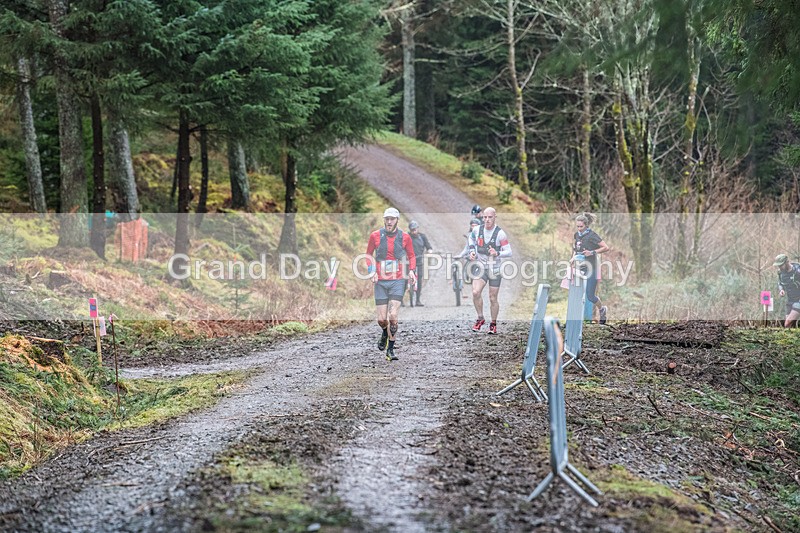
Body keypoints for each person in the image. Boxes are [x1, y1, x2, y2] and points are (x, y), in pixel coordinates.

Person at [365, 207, 417, 360]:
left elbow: (412, 256)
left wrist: (412, 271)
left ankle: (391, 350)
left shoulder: (405, 237)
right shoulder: (375, 236)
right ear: (384, 220)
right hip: (380, 281)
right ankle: (384, 332)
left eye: (392, 219)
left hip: (398, 280)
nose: (389, 222)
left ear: (397, 221)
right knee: (382, 320)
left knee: (393, 315)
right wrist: (372, 270)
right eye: (387, 219)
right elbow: (368, 255)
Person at [468, 207, 512, 334]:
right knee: (476, 292)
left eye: (490, 217)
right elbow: (471, 238)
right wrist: (472, 250)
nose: (487, 220)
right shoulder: (477, 230)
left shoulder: (500, 233)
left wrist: (497, 253)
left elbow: (509, 251)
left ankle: (493, 323)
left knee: (492, 298)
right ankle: (480, 318)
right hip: (481, 266)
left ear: (494, 217)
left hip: (495, 268)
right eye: (485, 217)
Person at [572, 212, 610, 324]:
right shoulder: (577, 235)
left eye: (581, 226)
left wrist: (592, 252)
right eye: (577, 226)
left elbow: (606, 247)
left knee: (590, 296)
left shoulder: (592, 235)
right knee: (576, 293)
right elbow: (576, 249)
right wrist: (572, 258)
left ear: (586, 225)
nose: (579, 229)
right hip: (579, 267)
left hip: (591, 268)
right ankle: (576, 320)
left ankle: (602, 310)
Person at [407, 220, 432, 306]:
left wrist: (429, 251)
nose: (413, 231)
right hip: (408, 261)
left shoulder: (422, 237)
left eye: (415, 229)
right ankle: (402, 300)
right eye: (412, 230)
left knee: (420, 279)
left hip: (419, 260)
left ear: (417, 229)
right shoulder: (406, 237)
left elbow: (428, 246)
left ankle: (418, 300)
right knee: (404, 279)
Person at [774, 253, 800, 327]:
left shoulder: (797, 270)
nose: (779, 267)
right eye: (778, 265)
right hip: (790, 301)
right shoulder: (780, 273)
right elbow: (780, 283)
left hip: (798, 301)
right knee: (789, 326)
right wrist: (781, 290)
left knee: (787, 322)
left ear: (786, 262)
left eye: (781, 265)